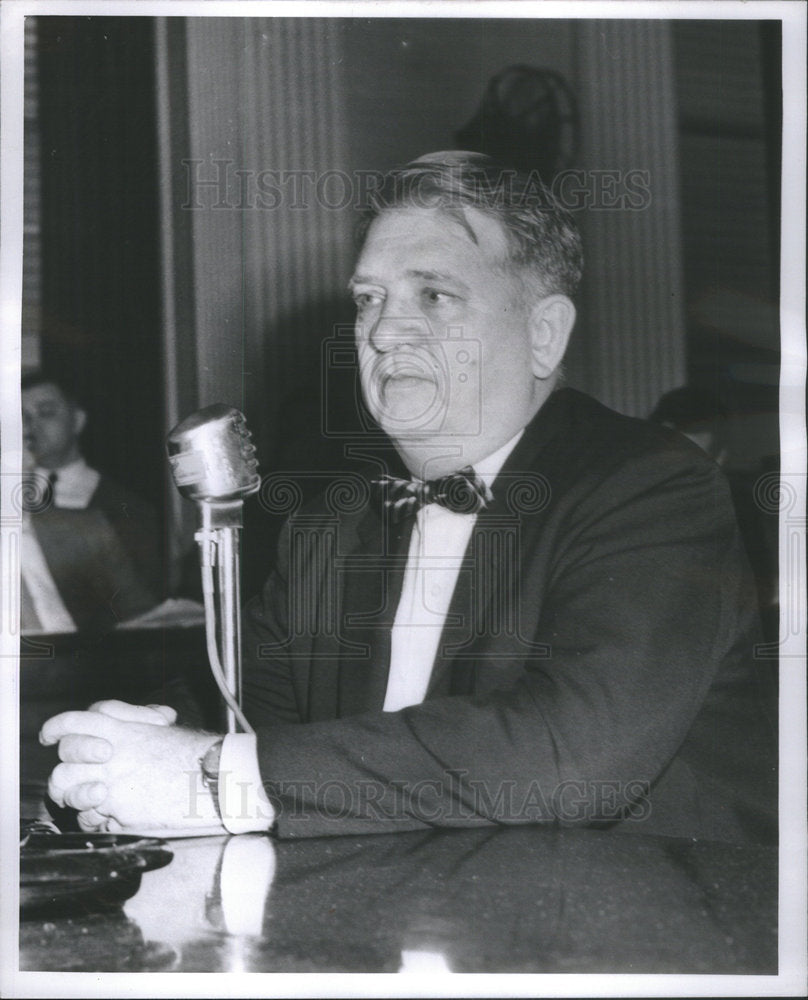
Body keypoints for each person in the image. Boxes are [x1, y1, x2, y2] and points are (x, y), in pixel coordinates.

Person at [40, 152, 776, 843]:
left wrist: (213, 780)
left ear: (544, 335)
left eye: (435, 294)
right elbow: (244, 703)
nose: (385, 331)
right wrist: (125, 747)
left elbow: (570, 756)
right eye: (369, 300)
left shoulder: (650, 487)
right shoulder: (332, 524)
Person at [20, 372, 161, 632]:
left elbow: (140, 607)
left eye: (46, 413)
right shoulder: (15, 503)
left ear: (77, 420)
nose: (30, 428)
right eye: (23, 418)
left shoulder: (125, 506)